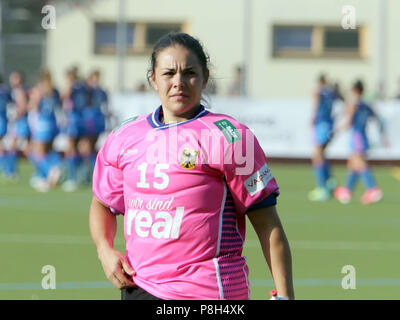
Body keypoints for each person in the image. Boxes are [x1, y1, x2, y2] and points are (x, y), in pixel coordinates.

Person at [89, 33, 294, 300]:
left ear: (205, 77)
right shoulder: (124, 135)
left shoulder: (232, 138)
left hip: (207, 293)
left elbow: (268, 225)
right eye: (168, 73)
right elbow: (103, 203)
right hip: (139, 289)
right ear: (153, 78)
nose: (178, 82)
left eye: (189, 73)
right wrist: (104, 250)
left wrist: (286, 296)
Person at [334, 80, 385, 205]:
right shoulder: (366, 105)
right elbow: (377, 119)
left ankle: (372, 189)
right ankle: (347, 190)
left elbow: (349, 121)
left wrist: (337, 130)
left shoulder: (354, 104)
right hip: (363, 135)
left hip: (356, 135)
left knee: (359, 163)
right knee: (353, 164)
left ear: (355, 90)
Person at [27, 68, 62, 192]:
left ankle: (50, 171)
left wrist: (29, 104)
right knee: (48, 150)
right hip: (53, 122)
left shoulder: (38, 89)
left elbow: (33, 105)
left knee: (37, 153)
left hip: (42, 123)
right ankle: (43, 176)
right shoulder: (54, 90)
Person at [308, 74, 339, 201]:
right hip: (329, 124)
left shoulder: (319, 92)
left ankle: (322, 189)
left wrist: (313, 118)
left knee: (317, 155)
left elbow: (316, 105)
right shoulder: (332, 92)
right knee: (321, 153)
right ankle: (329, 181)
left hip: (321, 124)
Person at [79, 70, 107, 185]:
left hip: (92, 120)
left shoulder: (93, 91)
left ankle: (93, 174)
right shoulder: (99, 91)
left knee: (86, 148)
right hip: (93, 119)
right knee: (89, 148)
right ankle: (95, 173)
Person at [61, 67, 87, 192]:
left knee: (70, 149)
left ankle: (72, 178)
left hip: (73, 119)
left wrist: (69, 85)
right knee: (77, 148)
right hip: (81, 118)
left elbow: (64, 96)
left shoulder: (73, 87)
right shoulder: (82, 87)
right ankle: (82, 175)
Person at [5, 71, 30, 181]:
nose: (13, 81)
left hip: (20, 123)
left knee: (24, 148)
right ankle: (10, 171)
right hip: (17, 123)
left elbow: (23, 108)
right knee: (12, 147)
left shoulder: (19, 91)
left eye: (15, 78)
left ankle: (47, 169)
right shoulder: (14, 91)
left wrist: (14, 114)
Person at [0, 74, 13, 177]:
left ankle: (7, 170)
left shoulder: (5, 92)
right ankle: (8, 169)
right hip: (5, 121)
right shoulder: (6, 91)